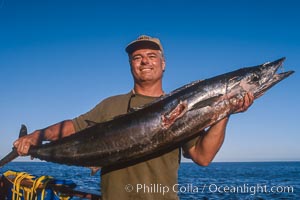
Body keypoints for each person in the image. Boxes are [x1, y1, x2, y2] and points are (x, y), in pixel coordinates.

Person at [14, 35, 254, 200]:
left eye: (151, 55)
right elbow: (74, 127)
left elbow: (203, 157)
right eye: (137, 57)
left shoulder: (184, 109)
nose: (145, 61)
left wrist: (224, 111)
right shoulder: (111, 105)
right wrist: (36, 138)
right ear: (131, 65)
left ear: (163, 63)